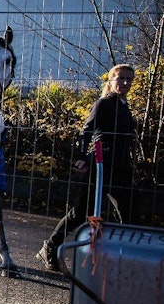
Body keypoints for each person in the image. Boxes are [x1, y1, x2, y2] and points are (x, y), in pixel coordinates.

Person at [37, 64, 139, 270]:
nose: (126, 83)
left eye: (129, 79)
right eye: (121, 79)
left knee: (130, 213)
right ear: (111, 81)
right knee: (81, 212)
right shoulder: (104, 104)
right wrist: (82, 157)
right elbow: (86, 131)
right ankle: (50, 248)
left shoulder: (125, 107)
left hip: (120, 170)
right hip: (101, 168)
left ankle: (125, 259)